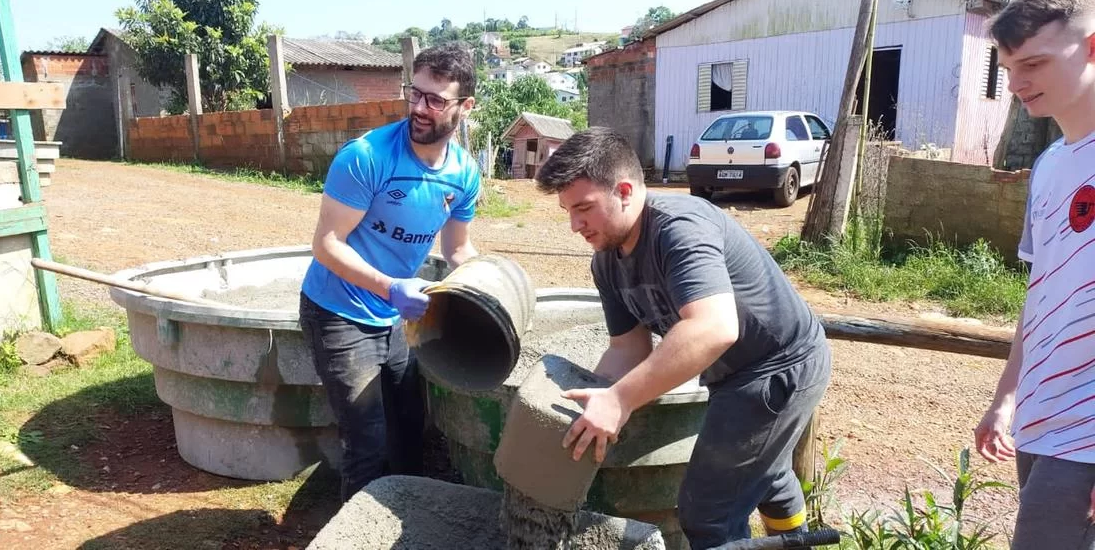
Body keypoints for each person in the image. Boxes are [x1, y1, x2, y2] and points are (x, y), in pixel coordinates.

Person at [532, 127, 831, 549]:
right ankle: (797, 542)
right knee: (766, 472)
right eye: (567, 211)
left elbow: (715, 327)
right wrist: (588, 407)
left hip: (779, 365)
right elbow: (627, 350)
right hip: (732, 373)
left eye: (583, 208)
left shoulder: (679, 228)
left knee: (708, 512)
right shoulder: (607, 263)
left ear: (624, 191)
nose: (574, 225)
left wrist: (620, 400)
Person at [299, 41, 482, 501]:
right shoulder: (366, 157)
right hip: (339, 311)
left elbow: (458, 249)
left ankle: (407, 519)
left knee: (410, 429)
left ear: (465, 107)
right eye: (414, 93)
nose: (418, 108)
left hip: (396, 316)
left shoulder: (463, 174)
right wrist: (391, 287)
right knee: (368, 442)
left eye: (435, 100)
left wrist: (489, 289)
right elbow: (327, 244)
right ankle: (357, 530)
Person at [973, 0, 1095, 550]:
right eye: (1008, 67)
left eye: (1035, 63)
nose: (1016, 83)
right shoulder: (1049, 166)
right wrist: (1006, 399)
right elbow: (1040, 293)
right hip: (1041, 419)